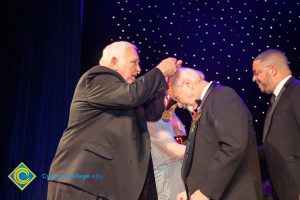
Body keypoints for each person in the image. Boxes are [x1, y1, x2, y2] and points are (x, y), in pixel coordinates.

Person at [47, 41, 181, 200]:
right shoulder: (96, 77)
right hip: (82, 183)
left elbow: (151, 112)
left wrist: (170, 88)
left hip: (105, 187)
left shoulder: (125, 94)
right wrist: (159, 71)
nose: (139, 69)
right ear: (114, 61)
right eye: (134, 62)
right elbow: (133, 96)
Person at [170, 68, 263, 200]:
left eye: (177, 98)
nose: (179, 105)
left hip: (233, 193)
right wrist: (191, 191)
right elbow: (207, 153)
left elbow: (233, 146)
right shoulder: (207, 102)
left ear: (188, 84)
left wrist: (206, 191)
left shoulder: (222, 96)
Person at [252, 49, 300, 200]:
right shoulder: (279, 98)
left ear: (272, 70)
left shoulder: (297, 91)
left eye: (256, 72)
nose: (254, 78)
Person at [147, 97, 186, 200]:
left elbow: (183, 141)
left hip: (180, 170)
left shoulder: (176, 118)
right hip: (165, 174)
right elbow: (173, 149)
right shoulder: (152, 119)